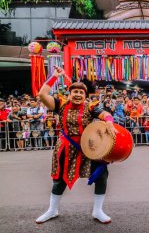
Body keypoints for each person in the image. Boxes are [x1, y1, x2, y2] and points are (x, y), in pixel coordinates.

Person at [35, 66, 117, 224]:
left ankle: (98, 211)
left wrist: (109, 122)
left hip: (88, 148)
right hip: (66, 147)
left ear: (85, 96)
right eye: (75, 92)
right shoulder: (60, 105)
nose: (78, 95)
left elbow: (106, 114)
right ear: (69, 93)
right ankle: (52, 210)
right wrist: (54, 77)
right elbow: (42, 94)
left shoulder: (90, 107)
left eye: (81, 93)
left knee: (102, 174)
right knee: (59, 180)